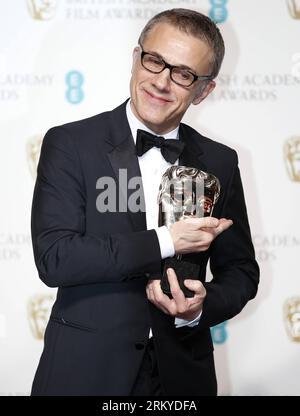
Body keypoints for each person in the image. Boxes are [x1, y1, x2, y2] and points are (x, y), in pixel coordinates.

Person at [30, 8, 259, 396]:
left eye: (183, 74)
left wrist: (199, 308)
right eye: (155, 61)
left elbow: (241, 271)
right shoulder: (70, 144)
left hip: (183, 378)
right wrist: (167, 240)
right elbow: (55, 257)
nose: (162, 83)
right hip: (85, 372)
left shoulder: (221, 161)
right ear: (137, 58)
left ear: (203, 90)